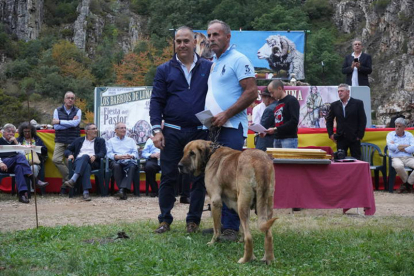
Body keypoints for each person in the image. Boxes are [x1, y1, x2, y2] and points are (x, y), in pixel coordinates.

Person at [150, 26, 212, 234]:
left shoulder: (209, 67)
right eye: (178, 41)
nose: (182, 45)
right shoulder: (164, 70)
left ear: (195, 42)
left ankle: (193, 220)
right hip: (173, 133)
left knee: (199, 178)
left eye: (186, 40)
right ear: (174, 44)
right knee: (168, 176)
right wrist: (157, 130)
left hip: (200, 133)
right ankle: (164, 219)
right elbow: (156, 101)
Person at [205, 19, 257, 241]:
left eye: (216, 35)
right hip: (215, 128)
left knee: (231, 179)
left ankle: (231, 227)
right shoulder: (214, 62)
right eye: (209, 35)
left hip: (232, 127)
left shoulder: (238, 59)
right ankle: (221, 223)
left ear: (228, 37)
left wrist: (226, 114)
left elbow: (252, 92)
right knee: (217, 178)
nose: (212, 39)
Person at [0, 124, 48, 203]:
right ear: (3, 132)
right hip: (3, 163)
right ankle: (34, 179)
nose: (11, 133)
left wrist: (16, 142)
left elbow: (23, 153)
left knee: (19, 166)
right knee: (19, 157)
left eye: (13, 132)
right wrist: (0, 163)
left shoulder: (14, 141)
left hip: (13, 164)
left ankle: (22, 194)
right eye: (8, 131)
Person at [62, 123, 106, 201]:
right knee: (86, 164)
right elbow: (67, 150)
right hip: (78, 162)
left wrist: (96, 156)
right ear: (87, 131)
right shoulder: (78, 140)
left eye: (96, 128)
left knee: (86, 157)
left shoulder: (100, 141)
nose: (96, 130)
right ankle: (86, 192)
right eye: (93, 129)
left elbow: (103, 152)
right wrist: (69, 155)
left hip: (93, 162)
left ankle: (73, 179)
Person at [326, 83, 367, 160]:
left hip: (354, 137)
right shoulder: (334, 105)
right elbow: (329, 120)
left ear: (348, 92)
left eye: (342, 91)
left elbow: (362, 120)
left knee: (356, 160)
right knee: (340, 160)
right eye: (338, 91)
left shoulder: (358, 103)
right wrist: (331, 134)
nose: (339, 93)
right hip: (340, 138)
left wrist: (359, 135)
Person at [52, 91, 81, 189]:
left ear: (74, 100)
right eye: (68, 98)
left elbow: (75, 124)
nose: (70, 100)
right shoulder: (57, 110)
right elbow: (56, 127)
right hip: (60, 139)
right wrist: (70, 123)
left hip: (73, 141)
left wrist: (60, 121)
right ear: (64, 99)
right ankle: (71, 179)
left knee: (70, 162)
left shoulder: (78, 111)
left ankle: (66, 186)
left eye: (72, 98)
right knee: (56, 159)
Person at [261, 80, 300, 149]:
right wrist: (268, 131)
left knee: (287, 159)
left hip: (288, 139)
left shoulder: (291, 100)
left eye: (272, 92)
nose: (271, 95)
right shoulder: (278, 103)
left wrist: (275, 129)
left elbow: (294, 121)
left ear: (279, 88)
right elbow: (277, 122)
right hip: (276, 138)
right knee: (277, 160)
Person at [106, 122, 139, 200]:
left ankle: (122, 190)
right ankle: (123, 190)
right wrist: (116, 156)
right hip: (116, 160)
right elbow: (108, 154)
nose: (124, 130)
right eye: (121, 128)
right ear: (116, 130)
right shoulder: (110, 141)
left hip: (128, 160)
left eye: (125, 128)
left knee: (132, 166)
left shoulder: (131, 140)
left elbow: (135, 153)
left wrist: (131, 156)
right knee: (116, 166)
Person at [17, 122, 49, 190]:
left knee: (33, 167)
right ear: (22, 131)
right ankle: (26, 188)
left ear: (32, 131)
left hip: (34, 161)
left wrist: (36, 147)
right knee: (21, 168)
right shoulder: (19, 139)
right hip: (22, 162)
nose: (27, 133)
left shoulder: (37, 139)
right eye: (25, 132)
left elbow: (45, 150)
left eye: (29, 131)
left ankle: (30, 189)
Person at [386, 117, 414, 193]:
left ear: (404, 127)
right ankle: (408, 185)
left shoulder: (409, 135)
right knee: (398, 166)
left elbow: (413, 148)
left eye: (399, 126)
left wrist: (397, 146)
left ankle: (407, 184)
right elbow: (391, 147)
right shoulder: (390, 135)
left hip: (408, 157)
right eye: (396, 126)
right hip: (396, 157)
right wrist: (406, 146)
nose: (397, 128)